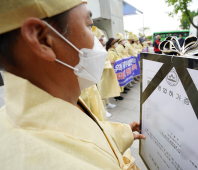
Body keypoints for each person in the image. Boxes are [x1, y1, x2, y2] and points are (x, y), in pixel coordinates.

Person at [0, 1, 146, 169]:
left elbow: (85, 135)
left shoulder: (55, 100)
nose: (97, 42)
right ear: (43, 40)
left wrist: (124, 132)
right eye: (89, 25)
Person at [91, 26, 119, 118]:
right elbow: (96, 63)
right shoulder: (94, 49)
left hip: (105, 71)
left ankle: (107, 104)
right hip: (100, 73)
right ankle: (104, 110)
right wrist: (108, 63)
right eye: (102, 37)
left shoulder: (100, 47)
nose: (104, 38)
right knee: (101, 91)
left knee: (106, 89)